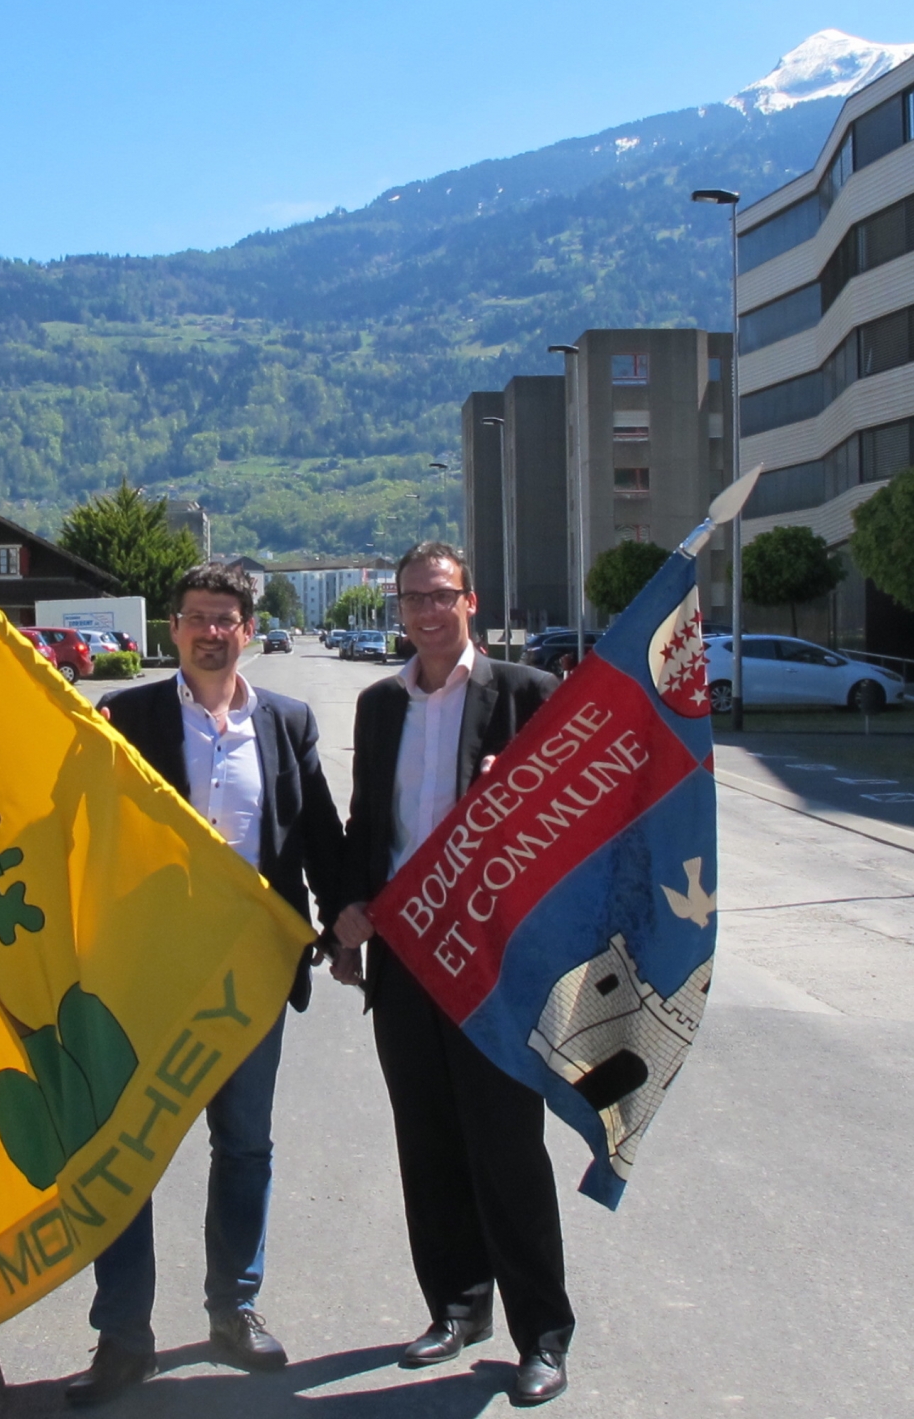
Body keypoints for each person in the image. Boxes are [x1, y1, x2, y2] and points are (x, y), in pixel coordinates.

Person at [67, 562, 345, 1407]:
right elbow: (70, 816)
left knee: (247, 1148)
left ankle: (236, 1311)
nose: (210, 630)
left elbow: (320, 839)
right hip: (143, 976)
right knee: (126, 1156)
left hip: (250, 981)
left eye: (225, 617)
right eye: (195, 617)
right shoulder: (126, 715)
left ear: (247, 631)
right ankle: (123, 1338)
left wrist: (347, 922)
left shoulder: (287, 722)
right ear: (174, 629)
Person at [331, 540, 575, 1407]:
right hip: (404, 961)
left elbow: (571, 825)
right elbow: (369, 823)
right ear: (398, 609)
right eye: (412, 600)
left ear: (471, 600)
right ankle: (457, 1307)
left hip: (493, 969)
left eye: (442, 597)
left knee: (507, 1150)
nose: (428, 614)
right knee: (427, 1143)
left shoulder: (527, 695)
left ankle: (541, 1334)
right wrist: (349, 915)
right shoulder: (378, 705)